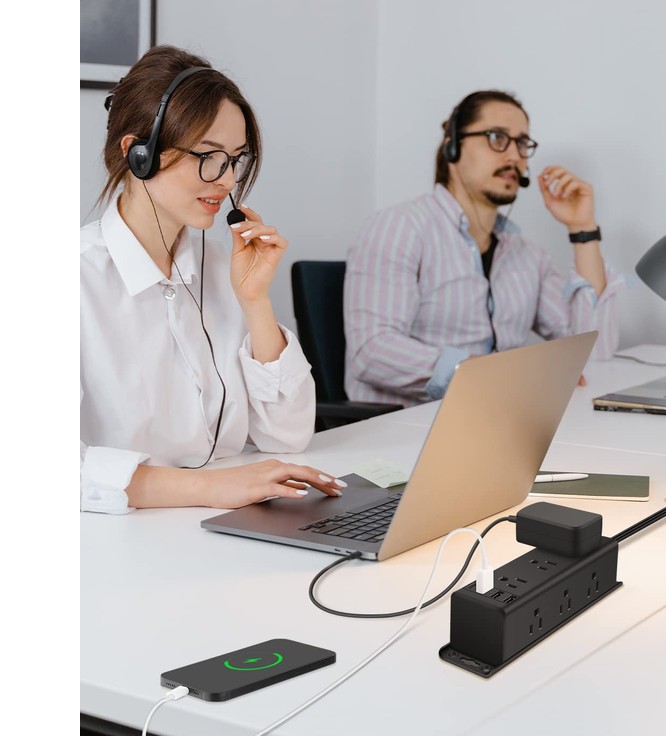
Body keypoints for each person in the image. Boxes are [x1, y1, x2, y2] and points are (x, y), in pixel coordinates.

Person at [81, 45, 346, 514]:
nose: (226, 180)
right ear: (137, 154)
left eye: (235, 158)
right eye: (208, 156)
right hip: (121, 540)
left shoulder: (223, 267)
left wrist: (255, 301)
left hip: (224, 525)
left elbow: (288, 435)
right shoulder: (73, 279)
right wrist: (213, 489)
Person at [344, 89, 625, 407]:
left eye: (522, 143)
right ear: (452, 145)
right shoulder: (399, 228)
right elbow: (372, 352)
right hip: (408, 423)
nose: (514, 156)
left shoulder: (528, 255)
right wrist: (491, 374)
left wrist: (582, 229)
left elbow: (593, 354)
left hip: (498, 416)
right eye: (497, 138)